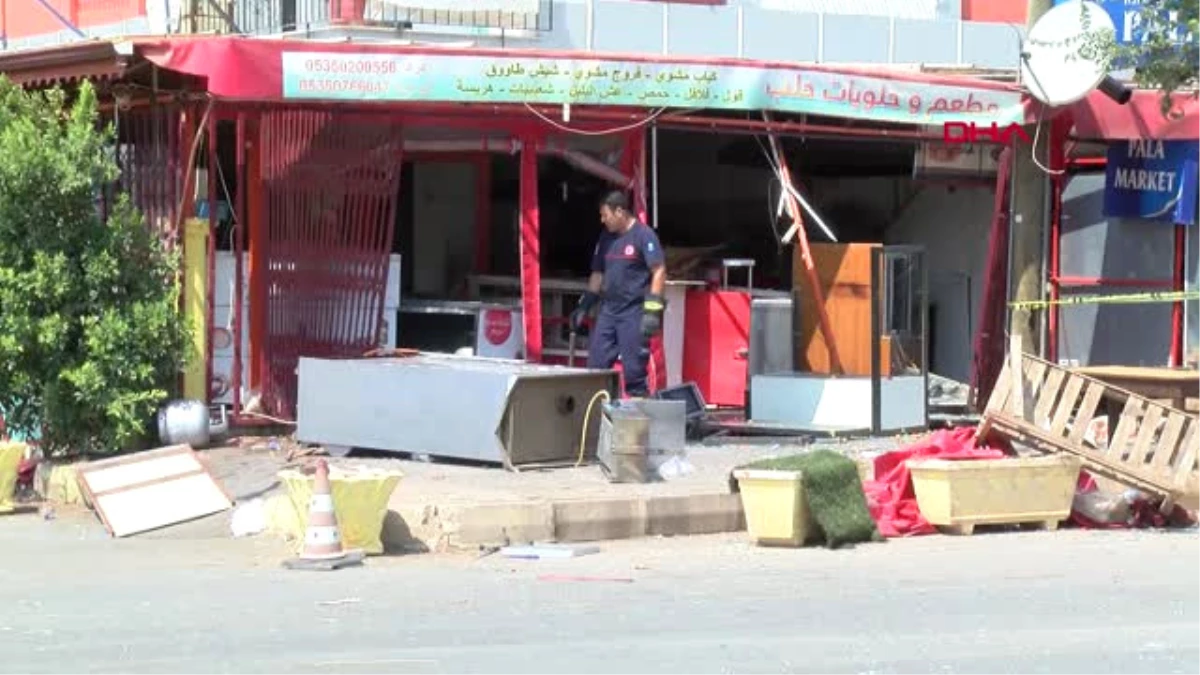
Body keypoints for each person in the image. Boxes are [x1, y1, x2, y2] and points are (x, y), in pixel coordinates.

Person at [570, 190, 667, 398]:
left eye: (605, 215)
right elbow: (597, 273)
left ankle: (638, 423)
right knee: (595, 368)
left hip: (633, 312)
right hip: (608, 312)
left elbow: (658, 270)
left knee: (634, 373)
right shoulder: (605, 238)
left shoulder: (644, 235)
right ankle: (598, 417)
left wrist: (652, 312)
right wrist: (584, 306)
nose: (602, 220)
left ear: (620, 211)